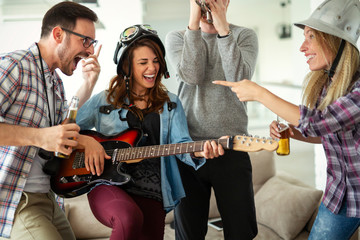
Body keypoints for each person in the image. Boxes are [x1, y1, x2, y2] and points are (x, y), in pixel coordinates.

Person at [214, 0, 360, 239]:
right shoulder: (327, 85)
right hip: (340, 195)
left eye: (311, 37)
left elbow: (319, 121)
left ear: (335, 40)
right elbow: (325, 133)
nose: (302, 47)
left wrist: (260, 93)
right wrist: (294, 131)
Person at [75, 24, 225, 240]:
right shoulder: (104, 100)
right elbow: (66, 128)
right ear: (127, 67)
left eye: (155, 61)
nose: (152, 68)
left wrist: (201, 151)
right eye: (143, 62)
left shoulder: (171, 103)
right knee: (127, 218)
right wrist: (88, 85)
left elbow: (182, 143)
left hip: (153, 191)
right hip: (107, 183)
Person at [0, 2, 102, 239]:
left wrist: (87, 84)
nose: (89, 51)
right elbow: (46, 137)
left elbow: (61, 133)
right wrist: (39, 137)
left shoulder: (54, 82)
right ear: (58, 34)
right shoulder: (15, 66)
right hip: (19, 200)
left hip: (49, 197)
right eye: (85, 40)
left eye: (92, 43)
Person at [165, 0, 259, 239]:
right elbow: (192, 75)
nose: (208, 4)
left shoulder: (244, 36)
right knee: (189, 234)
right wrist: (194, 23)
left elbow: (239, 79)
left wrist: (223, 29)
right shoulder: (177, 37)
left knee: (241, 231)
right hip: (188, 150)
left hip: (233, 147)